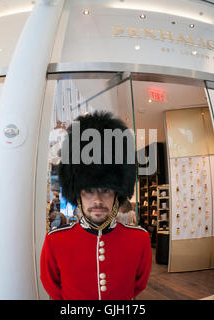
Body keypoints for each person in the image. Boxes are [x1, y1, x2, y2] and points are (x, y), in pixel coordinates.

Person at [40, 111, 152, 300]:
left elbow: (137, 285)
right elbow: (54, 289)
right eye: (89, 190)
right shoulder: (55, 242)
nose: (98, 200)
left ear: (118, 194)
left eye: (106, 190)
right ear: (77, 194)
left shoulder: (140, 240)